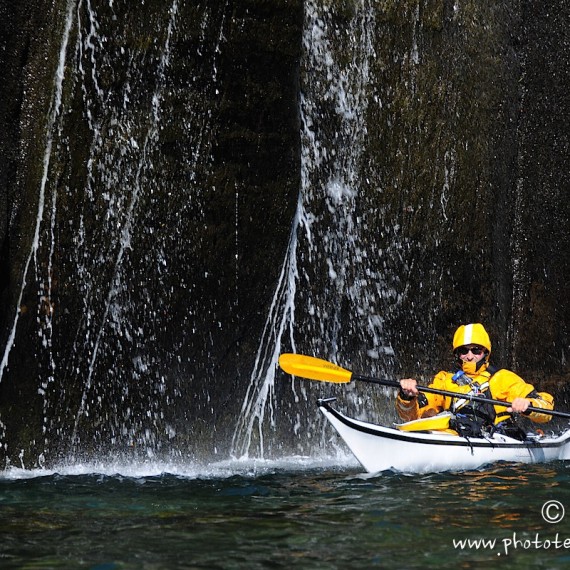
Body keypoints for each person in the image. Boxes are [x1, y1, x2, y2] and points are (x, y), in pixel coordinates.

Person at [396, 323, 554, 439]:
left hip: (495, 443)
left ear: (485, 352)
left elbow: (546, 406)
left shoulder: (501, 378)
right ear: (457, 354)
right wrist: (408, 396)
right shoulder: (444, 379)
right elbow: (414, 415)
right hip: (454, 435)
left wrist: (528, 405)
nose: (469, 356)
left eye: (476, 350)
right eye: (464, 351)